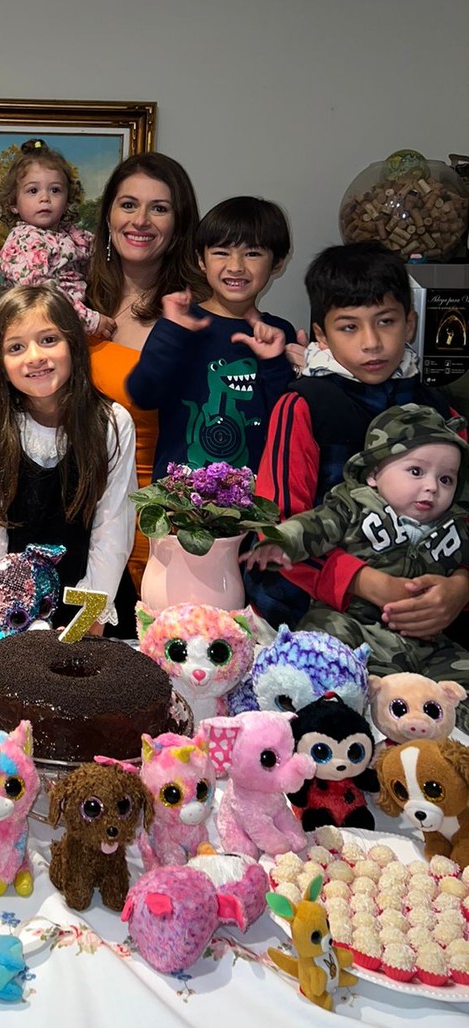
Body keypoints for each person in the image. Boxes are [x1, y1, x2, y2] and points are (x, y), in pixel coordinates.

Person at [245, 241, 469, 637]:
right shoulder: (303, 405)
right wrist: (370, 583)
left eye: (386, 321)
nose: (371, 342)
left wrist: (459, 588)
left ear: (411, 323)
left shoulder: (443, 415)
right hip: (315, 610)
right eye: (349, 326)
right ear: (322, 335)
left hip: (427, 616)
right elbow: (275, 529)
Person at [244, 404, 469, 688]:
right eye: (416, 471)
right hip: (354, 625)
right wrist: (281, 542)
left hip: (427, 642)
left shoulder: (455, 526)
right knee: (321, 640)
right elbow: (314, 525)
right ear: (373, 474)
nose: (432, 487)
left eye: (446, 479)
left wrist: (460, 587)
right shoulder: (354, 505)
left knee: (459, 672)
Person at [0, 285, 138, 637]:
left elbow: (113, 527)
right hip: (12, 611)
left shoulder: (113, 422)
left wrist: (91, 619)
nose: (34, 357)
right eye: (16, 347)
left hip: (90, 602)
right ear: (0, 362)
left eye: (48, 340)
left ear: (73, 344)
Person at [84, 153, 205, 591]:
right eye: (128, 204)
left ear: (179, 224)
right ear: (109, 215)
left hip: (169, 519)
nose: (141, 220)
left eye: (160, 208)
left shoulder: (201, 312)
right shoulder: (71, 300)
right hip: (78, 518)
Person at [126, 196, 295, 481]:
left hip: (253, 506)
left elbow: (286, 423)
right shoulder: (182, 324)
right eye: (221, 252)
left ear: (277, 262)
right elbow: (142, 394)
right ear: (200, 260)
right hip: (178, 504)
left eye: (252, 253)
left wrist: (275, 362)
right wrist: (170, 331)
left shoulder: (278, 334)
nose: (236, 266)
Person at [0, 139, 115, 338]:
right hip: (37, 328)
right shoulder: (25, 240)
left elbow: (99, 251)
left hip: (69, 326)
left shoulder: (71, 234)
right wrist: (91, 320)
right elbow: (41, 296)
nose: (45, 198)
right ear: (13, 203)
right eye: (33, 191)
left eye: (55, 190)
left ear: (68, 199)